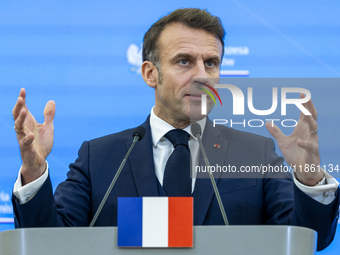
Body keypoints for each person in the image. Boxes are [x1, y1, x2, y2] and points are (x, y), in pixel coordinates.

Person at [11, 8, 339, 251]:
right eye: (184, 61)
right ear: (150, 73)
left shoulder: (256, 153)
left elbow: (309, 239)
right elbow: (47, 242)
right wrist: (35, 172)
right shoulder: (100, 157)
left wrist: (309, 177)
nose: (202, 75)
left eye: (211, 63)